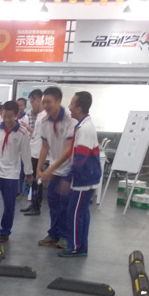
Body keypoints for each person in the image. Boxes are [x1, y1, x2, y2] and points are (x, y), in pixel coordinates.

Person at [57, 91, 102, 258]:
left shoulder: (85, 129)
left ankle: (75, 247)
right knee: (82, 212)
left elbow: (81, 158)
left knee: (74, 213)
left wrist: (67, 177)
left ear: (79, 108)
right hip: (85, 177)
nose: (69, 107)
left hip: (83, 179)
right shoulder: (83, 126)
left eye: (71, 104)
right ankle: (81, 246)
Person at [0, 101, 31, 243]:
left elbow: (26, 154)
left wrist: (28, 173)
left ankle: (5, 231)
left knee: (9, 204)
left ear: (16, 115)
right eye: (4, 116)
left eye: (10, 117)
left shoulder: (22, 132)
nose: (7, 120)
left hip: (11, 173)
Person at [37, 86, 76, 249]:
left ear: (59, 101)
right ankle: (53, 234)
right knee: (53, 203)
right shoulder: (44, 121)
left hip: (69, 170)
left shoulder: (70, 121)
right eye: (44, 102)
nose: (45, 105)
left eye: (49, 102)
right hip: (54, 170)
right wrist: (39, 169)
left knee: (66, 205)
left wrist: (50, 169)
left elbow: (69, 150)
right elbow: (44, 147)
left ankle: (65, 236)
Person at [22, 89, 46, 216]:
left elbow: (45, 139)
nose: (32, 106)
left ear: (38, 100)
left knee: (36, 180)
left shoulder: (45, 117)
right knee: (34, 181)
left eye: (32, 102)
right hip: (34, 151)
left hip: (38, 153)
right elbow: (35, 135)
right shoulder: (40, 116)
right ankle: (34, 204)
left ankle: (36, 206)